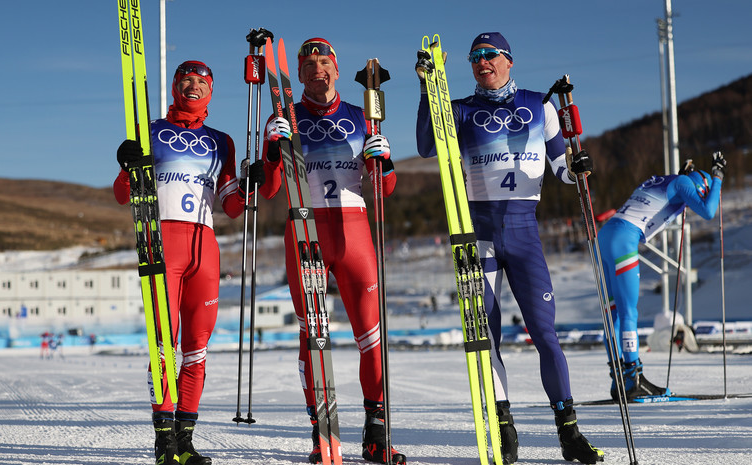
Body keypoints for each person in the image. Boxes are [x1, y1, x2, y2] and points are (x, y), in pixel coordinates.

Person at [415, 32, 603, 464]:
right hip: (475, 233)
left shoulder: (541, 105)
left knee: (545, 334)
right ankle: (503, 426)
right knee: (487, 338)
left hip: (523, 232)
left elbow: (563, 169)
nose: (482, 62)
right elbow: (427, 146)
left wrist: (580, 166)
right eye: (475, 57)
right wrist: (428, 89)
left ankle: (569, 431)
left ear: (509, 61)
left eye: (490, 55)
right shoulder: (459, 109)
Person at [259, 38, 406, 465]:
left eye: (323, 62)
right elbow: (269, 189)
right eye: (306, 64)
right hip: (306, 229)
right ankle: (322, 437)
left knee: (372, 338)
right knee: (314, 337)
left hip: (355, 230)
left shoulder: (365, 118)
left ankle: (376, 434)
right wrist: (272, 150)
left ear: (336, 70)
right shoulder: (285, 116)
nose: (315, 69)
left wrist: (386, 162)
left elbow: (384, 190)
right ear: (297, 75)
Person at [113, 60, 264, 465]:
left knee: (197, 348)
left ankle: (185, 442)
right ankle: (164, 444)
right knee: (164, 345)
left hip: (205, 248)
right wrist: (127, 165)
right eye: (186, 81)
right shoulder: (152, 131)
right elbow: (122, 195)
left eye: (201, 82)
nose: (193, 87)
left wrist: (252, 182)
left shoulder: (222, 142)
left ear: (211, 91)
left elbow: (233, 207)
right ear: (176, 86)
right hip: (161, 244)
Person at [598, 153, 726, 400]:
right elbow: (709, 211)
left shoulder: (666, 180)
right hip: (624, 238)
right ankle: (633, 378)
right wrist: (718, 178)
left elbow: (669, 198)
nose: (693, 202)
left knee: (612, 314)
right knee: (628, 313)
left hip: (606, 236)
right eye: (701, 193)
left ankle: (619, 381)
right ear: (701, 186)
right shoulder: (684, 184)